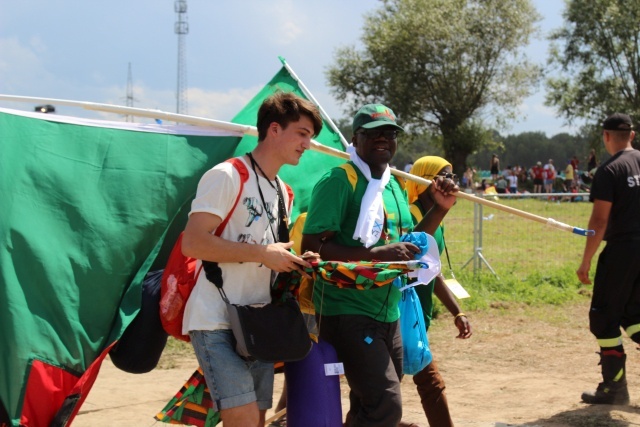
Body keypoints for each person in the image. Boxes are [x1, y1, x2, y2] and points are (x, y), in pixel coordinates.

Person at [301, 103, 457, 426]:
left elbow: (408, 245)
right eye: (373, 133)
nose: (383, 139)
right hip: (346, 311)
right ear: (356, 138)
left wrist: (439, 209)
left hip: (389, 310)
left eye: (390, 133)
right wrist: (376, 255)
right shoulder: (339, 181)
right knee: (386, 405)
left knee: (366, 403)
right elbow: (312, 246)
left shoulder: (393, 187)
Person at [181, 92, 323, 426]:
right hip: (216, 318)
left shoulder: (283, 192)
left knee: (256, 420)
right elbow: (193, 242)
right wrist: (262, 254)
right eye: (302, 133)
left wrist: (297, 261)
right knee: (243, 420)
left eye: (310, 137)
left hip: (260, 322)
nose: (308, 144)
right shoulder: (228, 175)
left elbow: (268, 254)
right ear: (274, 129)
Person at [576, 113, 640, 405]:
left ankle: (614, 390)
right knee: (634, 316)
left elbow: (599, 222)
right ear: (632, 135)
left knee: (603, 318)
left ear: (605, 136)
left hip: (624, 251)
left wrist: (586, 260)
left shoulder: (608, 170)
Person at [406, 156, 472, 427]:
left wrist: (458, 311)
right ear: (425, 181)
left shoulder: (438, 218)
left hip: (418, 315)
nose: (451, 182)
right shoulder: (409, 214)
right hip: (399, 311)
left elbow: (433, 270)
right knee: (425, 381)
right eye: (444, 175)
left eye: (453, 177)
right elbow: (408, 258)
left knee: (385, 386)